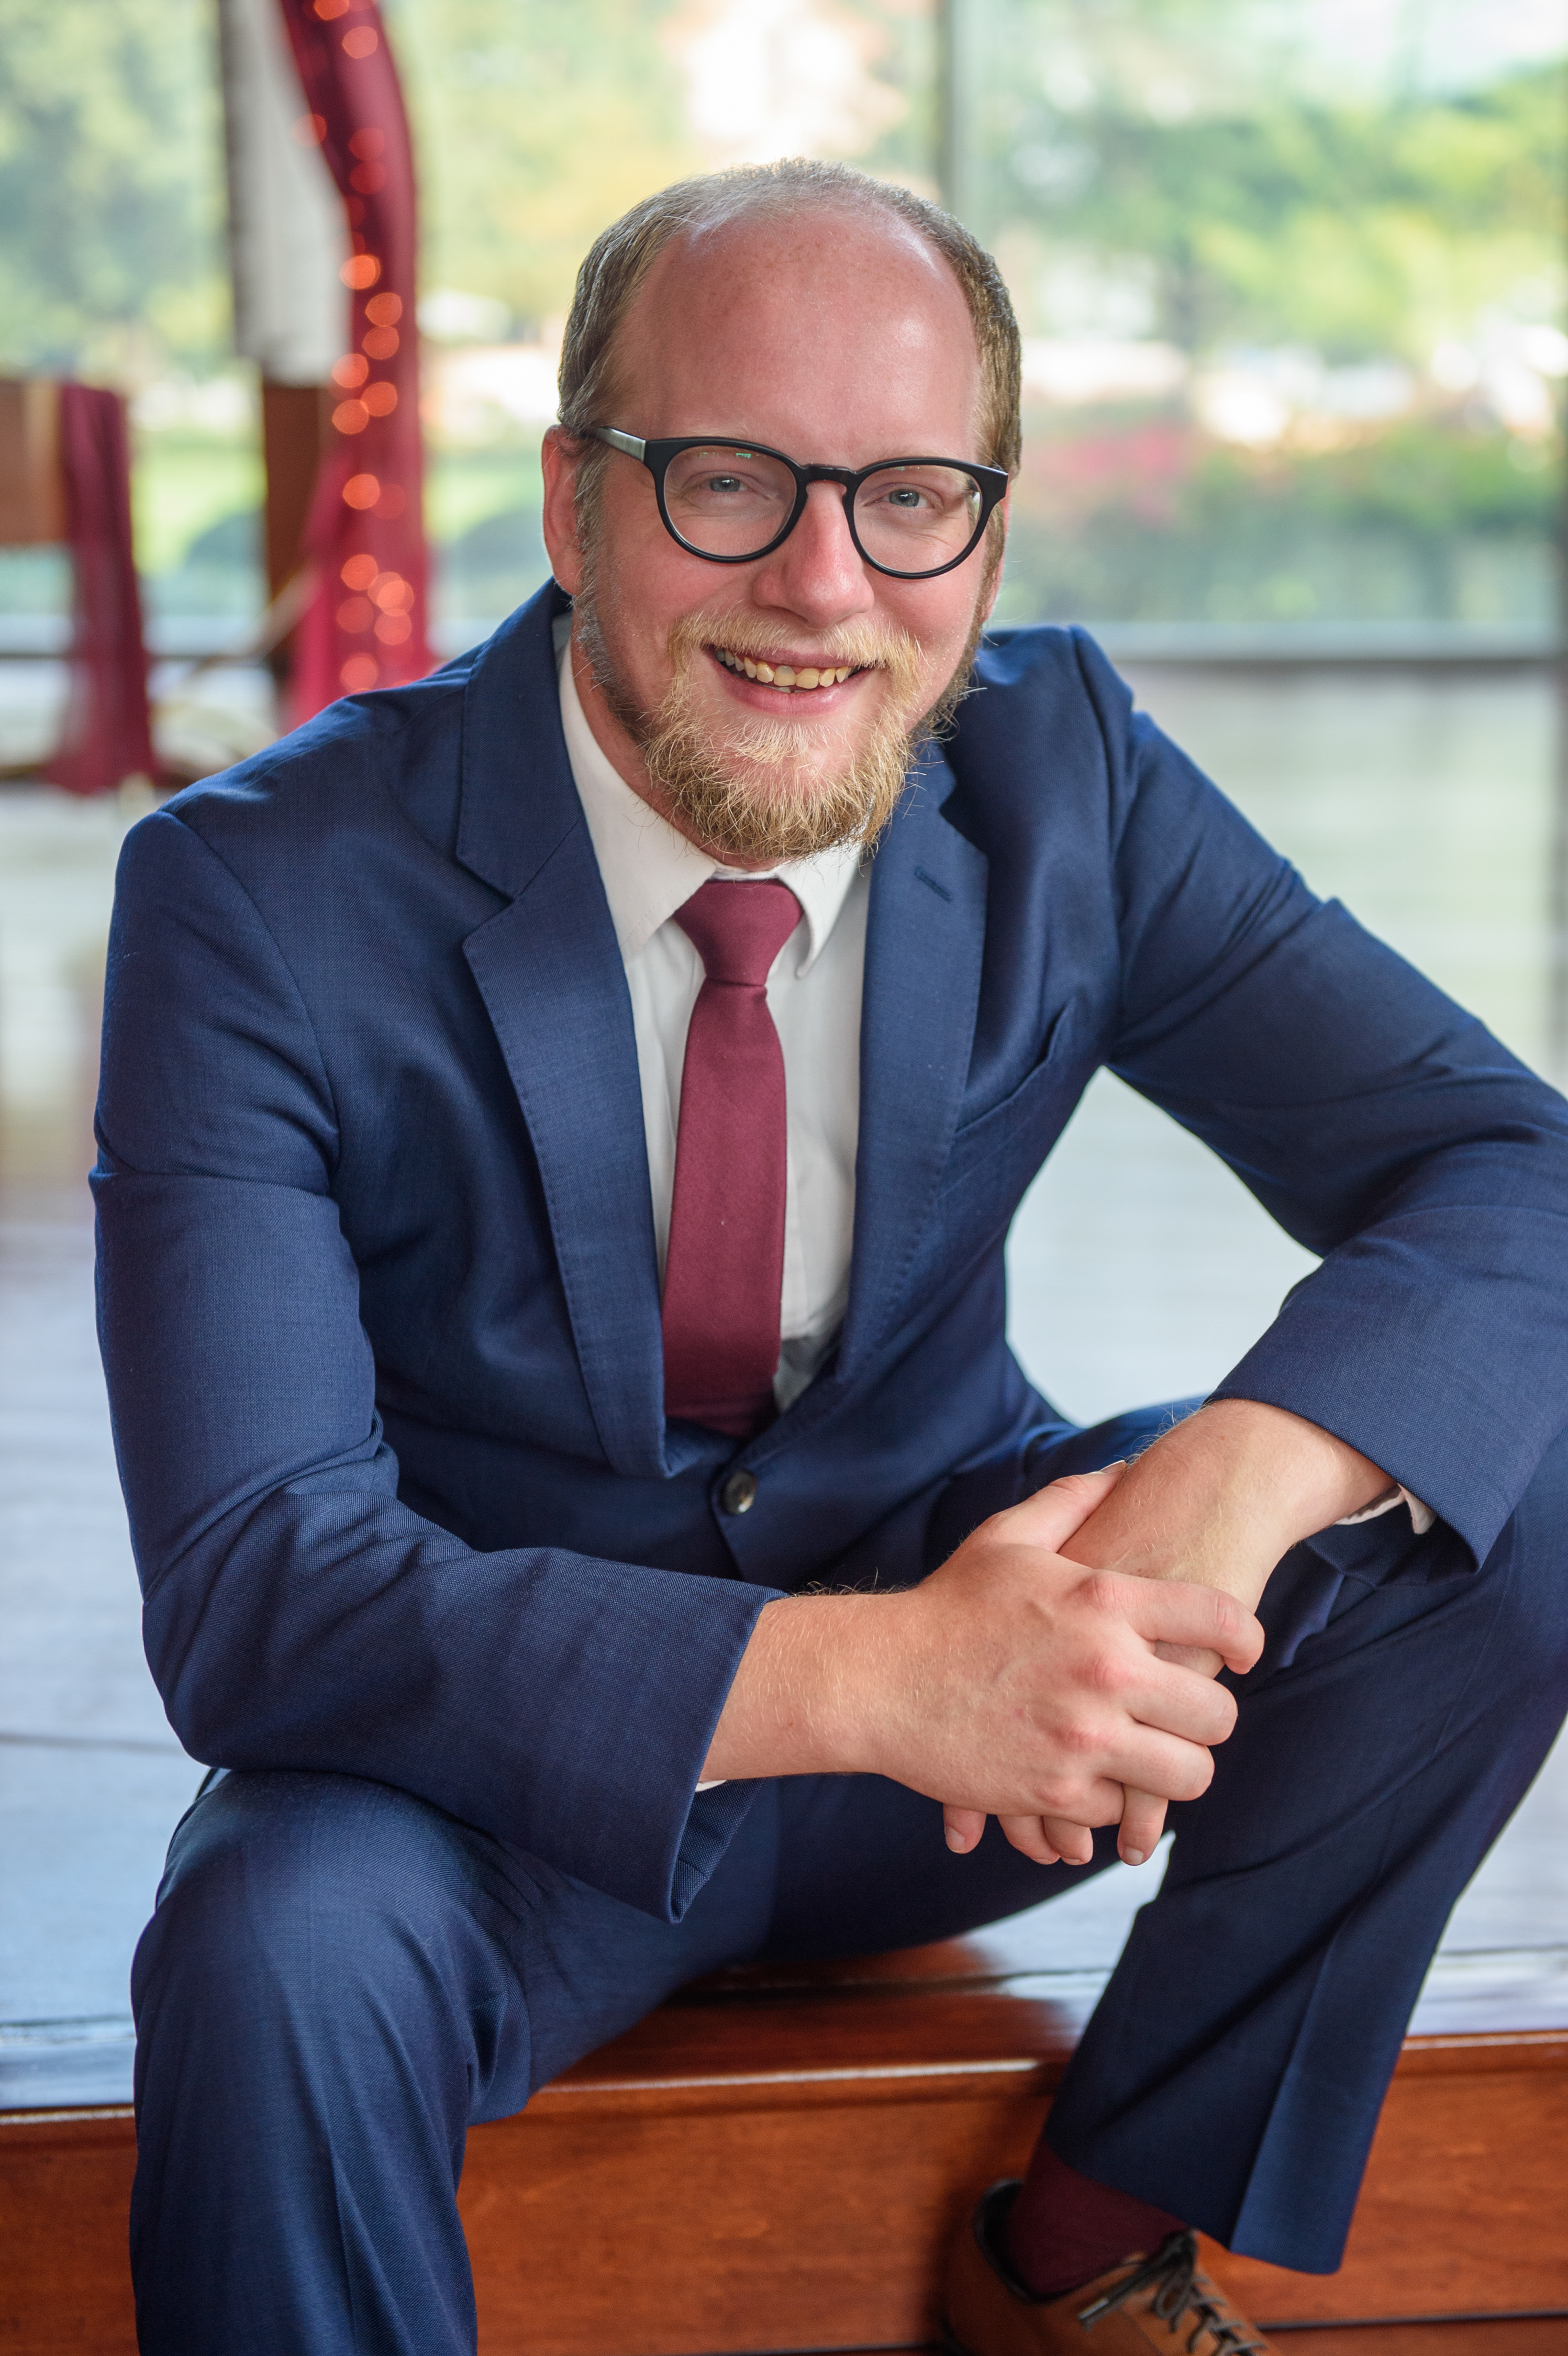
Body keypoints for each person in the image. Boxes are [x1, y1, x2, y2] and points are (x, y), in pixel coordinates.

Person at [96, 159, 1568, 2356]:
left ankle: (1081, 2247)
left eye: (908, 499)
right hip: (504, 1791)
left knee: (1493, 1477)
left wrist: (1244, 1472)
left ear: (981, 525)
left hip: (986, 1757)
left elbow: (1501, 1167)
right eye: (725, 482)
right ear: (570, 504)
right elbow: (259, 1596)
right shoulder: (257, 897)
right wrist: (884, 1678)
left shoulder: (1057, 765)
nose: (823, 585)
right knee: (263, 1956)